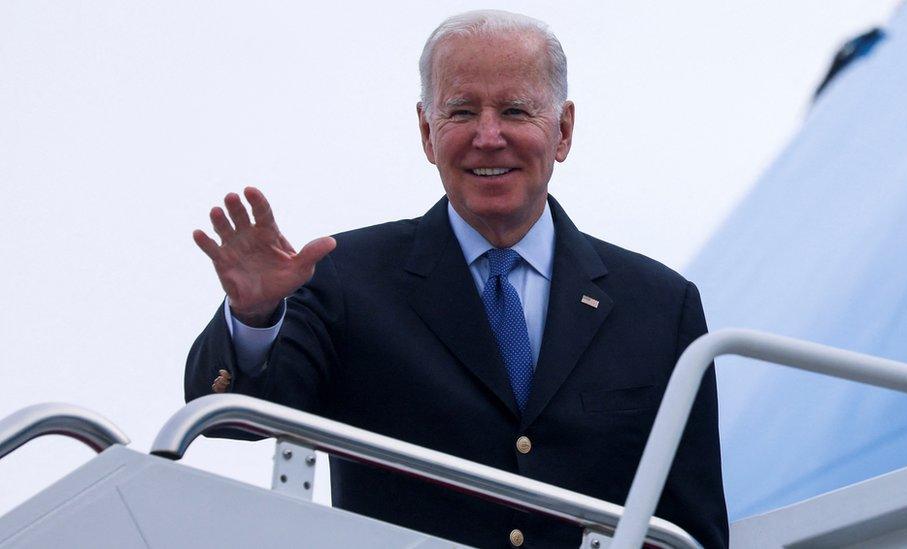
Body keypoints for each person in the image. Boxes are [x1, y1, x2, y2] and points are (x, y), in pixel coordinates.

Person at [186, 10, 728, 548]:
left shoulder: (660, 307)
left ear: (562, 131)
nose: (488, 137)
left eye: (515, 111)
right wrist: (254, 318)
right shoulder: (345, 278)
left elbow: (692, 531)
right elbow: (232, 421)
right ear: (427, 132)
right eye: (462, 112)